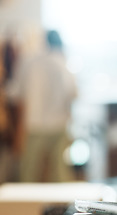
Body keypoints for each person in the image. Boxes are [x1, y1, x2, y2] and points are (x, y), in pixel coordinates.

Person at [9, 30, 78, 182]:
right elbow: (73, 94)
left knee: (28, 172)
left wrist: (18, 131)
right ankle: (62, 205)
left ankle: (25, 204)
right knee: (59, 171)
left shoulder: (28, 61)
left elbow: (18, 97)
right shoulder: (63, 63)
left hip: (33, 124)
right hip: (58, 124)